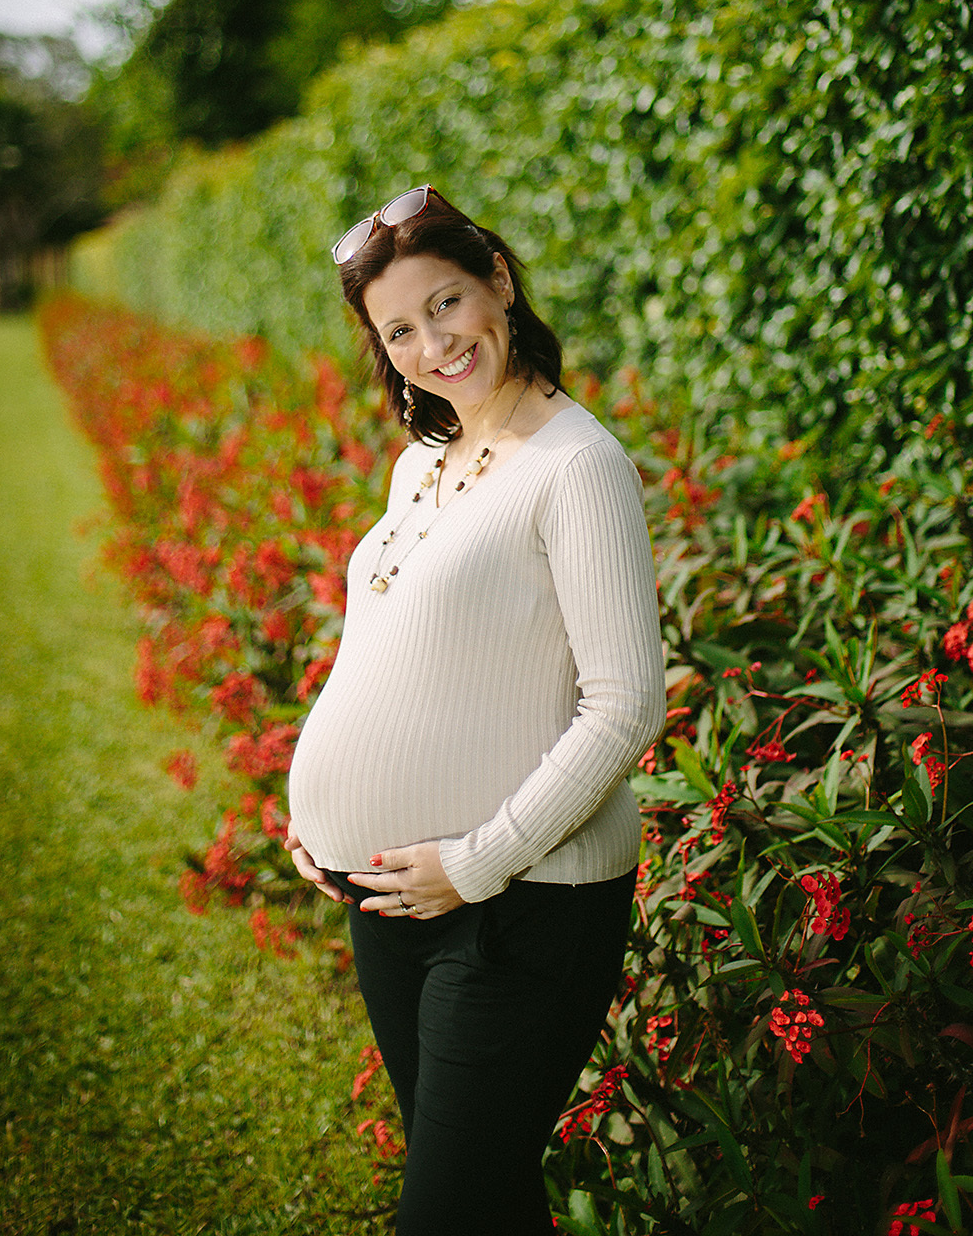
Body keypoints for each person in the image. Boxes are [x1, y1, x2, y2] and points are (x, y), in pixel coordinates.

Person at [284, 184, 665, 1235]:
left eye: (446, 304)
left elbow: (628, 706)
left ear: (498, 281)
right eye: (398, 329)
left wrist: (476, 862)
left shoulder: (577, 466)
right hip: (389, 904)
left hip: (519, 909)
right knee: (485, 1202)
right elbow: (386, 645)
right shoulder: (425, 462)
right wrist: (315, 814)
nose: (432, 344)